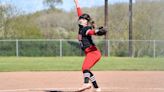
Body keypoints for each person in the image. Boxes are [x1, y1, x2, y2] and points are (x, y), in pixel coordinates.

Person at [74, 0, 107, 91]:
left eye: (84, 19)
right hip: (91, 52)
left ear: (86, 22)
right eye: (81, 18)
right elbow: (80, 14)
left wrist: (96, 31)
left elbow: (90, 32)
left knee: (85, 68)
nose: (81, 19)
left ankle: (86, 84)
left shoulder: (85, 29)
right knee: (87, 70)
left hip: (93, 52)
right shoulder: (82, 28)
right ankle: (97, 88)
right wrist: (77, 3)